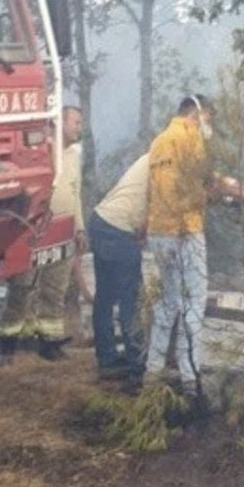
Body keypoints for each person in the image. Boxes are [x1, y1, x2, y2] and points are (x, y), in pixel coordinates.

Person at [144, 95, 244, 394]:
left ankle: (152, 373)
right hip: (184, 232)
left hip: (160, 232)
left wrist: (227, 188)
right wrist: (221, 196)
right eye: (210, 118)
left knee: (169, 302)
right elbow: (190, 190)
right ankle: (191, 379)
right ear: (198, 114)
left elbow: (181, 182)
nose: (209, 126)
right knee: (194, 303)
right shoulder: (190, 138)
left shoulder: (161, 141)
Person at [0, 106, 87, 363]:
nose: (80, 128)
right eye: (76, 122)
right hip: (34, 231)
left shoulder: (73, 156)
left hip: (64, 230)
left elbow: (75, 193)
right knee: (22, 287)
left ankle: (49, 343)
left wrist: (79, 228)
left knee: (55, 289)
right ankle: (8, 344)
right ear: (59, 125)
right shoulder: (39, 154)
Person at [89, 153, 150, 392]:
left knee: (104, 295)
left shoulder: (150, 156)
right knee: (131, 297)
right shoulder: (167, 158)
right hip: (118, 228)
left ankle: (107, 361)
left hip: (101, 220)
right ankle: (137, 369)